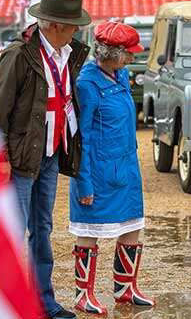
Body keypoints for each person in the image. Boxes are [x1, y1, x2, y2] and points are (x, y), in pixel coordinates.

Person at [0, 0, 91, 319]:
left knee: (42, 228)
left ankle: (41, 300)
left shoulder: (67, 53)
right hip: (20, 157)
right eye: (73, 24)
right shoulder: (18, 55)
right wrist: (1, 159)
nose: (77, 29)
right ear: (55, 25)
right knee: (12, 231)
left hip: (48, 152)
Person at [69, 21, 154, 315]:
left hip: (127, 169)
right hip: (99, 172)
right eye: (127, 53)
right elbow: (83, 138)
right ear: (109, 53)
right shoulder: (87, 83)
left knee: (133, 226)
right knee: (88, 231)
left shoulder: (121, 74)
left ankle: (125, 288)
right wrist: (84, 183)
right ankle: (83, 294)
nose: (133, 57)